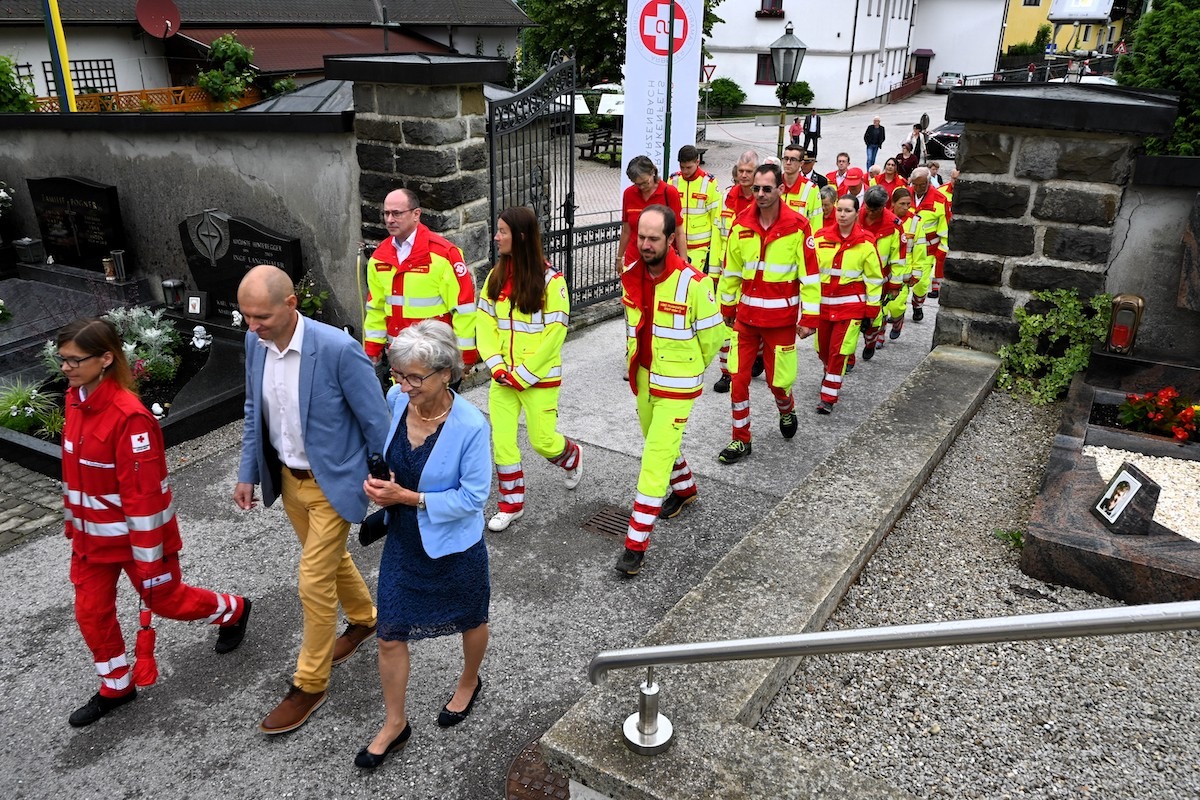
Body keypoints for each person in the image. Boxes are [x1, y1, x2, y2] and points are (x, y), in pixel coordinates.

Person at [58, 318, 251, 728]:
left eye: (75, 360)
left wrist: (149, 561)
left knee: (169, 602)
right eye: (63, 360)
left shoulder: (130, 419)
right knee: (91, 613)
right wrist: (74, 521)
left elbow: (145, 498)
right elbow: (75, 472)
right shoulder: (74, 399)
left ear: (106, 359)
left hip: (137, 543)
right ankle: (116, 686)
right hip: (92, 543)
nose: (66, 368)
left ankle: (233, 610)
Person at [234, 264, 390, 735]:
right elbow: (251, 409)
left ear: (290, 304)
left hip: (333, 486)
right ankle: (364, 619)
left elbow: (377, 422)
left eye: (260, 316)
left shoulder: (338, 350)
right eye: (246, 316)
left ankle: (309, 683)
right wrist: (247, 473)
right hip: (287, 481)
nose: (251, 326)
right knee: (325, 559)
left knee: (312, 580)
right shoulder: (252, 344)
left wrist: (381, 481)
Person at [356, 320, 492, 769]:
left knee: (471, 617)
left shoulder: (472, 426)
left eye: (415, 377)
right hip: (404, 541)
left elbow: (474, 498)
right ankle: (395, 723)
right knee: (390, 632)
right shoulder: (397, 400)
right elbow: (384, 453)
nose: (404, 385)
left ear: (446, 373)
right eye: (398, 374)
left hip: (454, 546)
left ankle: (469, 680)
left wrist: (409, 497)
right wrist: (380, 483)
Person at [615, 205, 724, 576]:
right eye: (640, 237)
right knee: (655, 442)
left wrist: (690, 368)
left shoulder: (695, 283)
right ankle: (686, 489)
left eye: (652, 238)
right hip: (644, 379)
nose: (644, 245)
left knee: (654, 459)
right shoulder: (631, 275)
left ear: (671, 239)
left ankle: (635, 545)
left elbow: (713, 338)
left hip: (677, 386)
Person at [476, 207, 582, 533]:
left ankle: (572, 456)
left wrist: (523, 374)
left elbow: (554, 337)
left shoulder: (553, 282)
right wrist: (495, 365)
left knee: (542, 441)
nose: (496, 237)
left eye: (502, 231)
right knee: (503, 441)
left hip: (539, 379)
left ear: (520, 236)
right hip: (502, 378)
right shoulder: (495, 277)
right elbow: (484, 324)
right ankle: (511, 504)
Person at [717, 163, 819, 464]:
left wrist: (810, 318)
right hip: (746, 319)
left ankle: (787, 409)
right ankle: (741, 440)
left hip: (781, 322)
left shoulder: (798, 226)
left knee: (778, 381)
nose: (759, 194)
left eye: (766, 188)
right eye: (756, 188)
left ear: (780, 189)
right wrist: (727, 306)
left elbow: (810, 276)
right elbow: (731, 271)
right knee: (738, 378)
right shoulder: (741, 225)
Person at [363, 188, 478, 378]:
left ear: (416, 214)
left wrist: (464, 355)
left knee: (436, 407)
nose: (390, 219)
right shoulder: (379, 258)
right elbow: (376, 308)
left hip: (435, 357)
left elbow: (463, 308)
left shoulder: (444, 254)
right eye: (386, 213)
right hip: (398, 358)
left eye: (397, 213)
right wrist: (373, 348)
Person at [808, 194, 883, 414]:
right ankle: (829, 371)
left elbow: (874, 279)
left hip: (850, 308)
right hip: (822, 306)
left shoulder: (866, 242)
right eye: (839, 209)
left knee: (839, 351)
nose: (842, 214)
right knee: (823, 350)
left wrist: (871, 311)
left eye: (848, 211)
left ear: (856, 213)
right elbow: (810, 272)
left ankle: (828, 397)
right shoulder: (820, 238)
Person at [709, 151, 760, 393]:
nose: (743, 175)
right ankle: (726, 373)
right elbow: (718, 237)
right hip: (729, 273)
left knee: (752, 324)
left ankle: (757, 354)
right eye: (740, 170)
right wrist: (714, 274)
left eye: (748, 171)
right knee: (725, 324)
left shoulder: (764, 201)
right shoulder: (726, 198)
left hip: (755, 276)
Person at [858, 186, 905, 359]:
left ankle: (870, 340)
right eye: (868, 208)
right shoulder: (855, 217)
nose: (870, 213)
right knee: (849, 320)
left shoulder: (894, 226)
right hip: (854, 277)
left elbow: (898, 260)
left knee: (873, 318)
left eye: (874, 210)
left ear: (884, 206)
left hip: (879, 281)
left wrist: (895, 285)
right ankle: (848, 357)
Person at [616, 155, 685, 272]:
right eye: (637, 184)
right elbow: (626, 230)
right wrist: (619, 257)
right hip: (633, 261)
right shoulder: (629, 193)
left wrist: (684, 263)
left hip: (662, 262)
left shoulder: (669, 193)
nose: (642, 187)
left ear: (652, 172)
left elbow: (679, 232)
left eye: (645, 182)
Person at [668, 144, 722, 274]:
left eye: (689, 167)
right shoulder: (673, 180)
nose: (685, 171)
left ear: (697, 162)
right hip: (675, 246)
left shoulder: (709, 183)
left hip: (700, 248)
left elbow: (716, 219)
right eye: (682, 167)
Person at [906, 166, 950, 321]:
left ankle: (917, 306)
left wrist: (942, 251)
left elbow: (945, 229)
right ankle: (896, 312)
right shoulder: (904, 196)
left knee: (922, 284)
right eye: (915, 185)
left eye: (922, 185)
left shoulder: (939, 200)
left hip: (928, 250)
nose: (918, 188)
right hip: (905, 249)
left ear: (929, 182)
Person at [885, 187, 915, 342]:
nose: (906, 207)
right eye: (902, 204)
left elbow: (920, 250)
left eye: (908, 204)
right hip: (884, 270)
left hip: (904, 272)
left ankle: (897, 321)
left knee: (895, 307)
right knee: (881, 308)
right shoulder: (885, 219)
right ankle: (878, 338)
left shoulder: (915, 222)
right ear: (893, 203)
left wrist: (916, 272)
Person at [780, 143, 823, 231]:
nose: (788, 163)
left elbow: (816, 223)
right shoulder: (773, 184)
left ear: (801, 163)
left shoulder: (811, 189)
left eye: (793, 160)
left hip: (799, 242)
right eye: (786, 159)